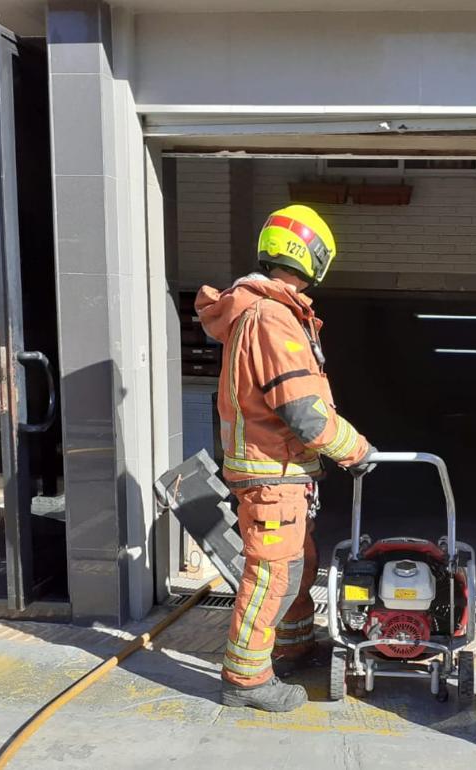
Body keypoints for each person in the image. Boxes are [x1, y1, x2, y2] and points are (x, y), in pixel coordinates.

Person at [197, 204, 376, 713]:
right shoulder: (273, 318)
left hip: (281, 471)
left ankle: (293, 645)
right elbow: (304, 413)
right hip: (271, 472)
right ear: (315, 257)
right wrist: (356, 451)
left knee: (300, 562)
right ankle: (246, 680)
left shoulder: (265, 312)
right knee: (272, 573)